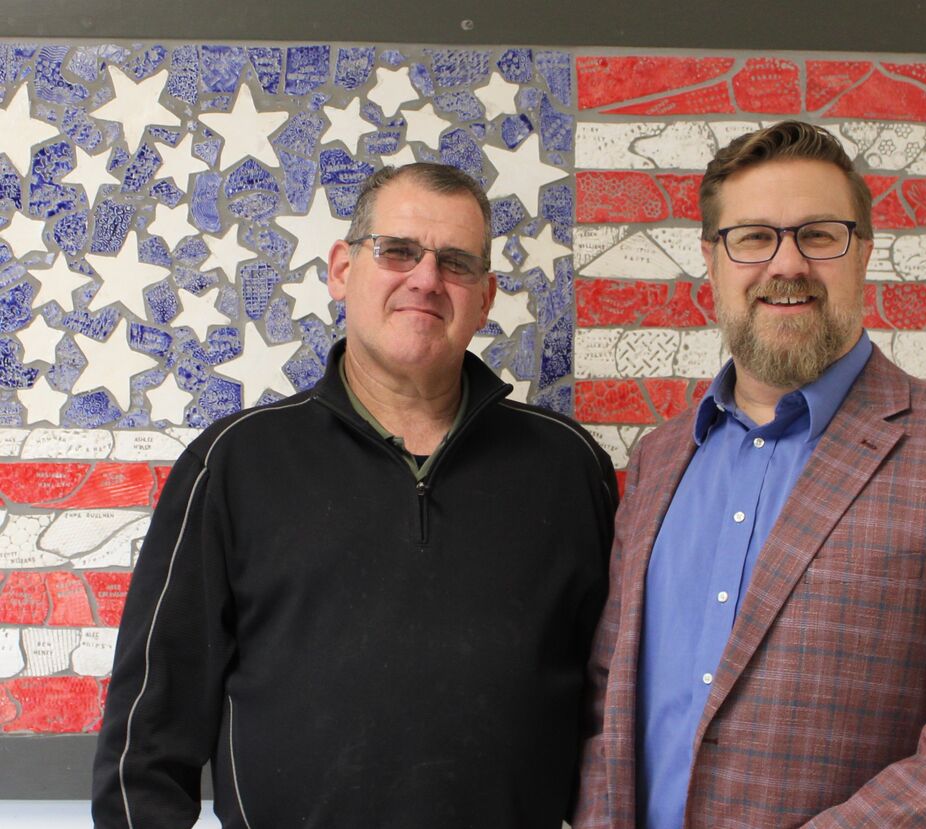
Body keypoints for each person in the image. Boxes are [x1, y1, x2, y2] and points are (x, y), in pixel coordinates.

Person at [573, 121, 926, 829]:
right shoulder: (658, 459)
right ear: (711, 260)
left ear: (863, 252)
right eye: (753, 237)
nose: (787, 263)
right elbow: (609, 691)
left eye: (818, 235)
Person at [93, 163, 617, 828]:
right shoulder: (234, 464)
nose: (426, 279)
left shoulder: (568, 467)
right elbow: (147, 733)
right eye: (397, 251)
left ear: (485, 298)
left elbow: (615, 706)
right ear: (343, 269)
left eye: (455, 262)